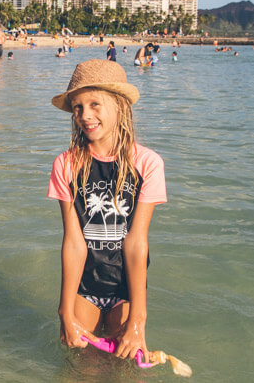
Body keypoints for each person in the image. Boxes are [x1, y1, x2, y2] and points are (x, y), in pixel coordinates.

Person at [48, 59, 166, 362]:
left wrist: (138, 317)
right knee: (83, 367)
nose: (85, 115)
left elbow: (137, 242)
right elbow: (73, 242)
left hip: (125, 287)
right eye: (77, 107)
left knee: (125, 367)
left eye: (95, 104)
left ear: (120, 107)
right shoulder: (66, 164)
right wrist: (64, 311)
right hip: (84, 287)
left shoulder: (148, 163)